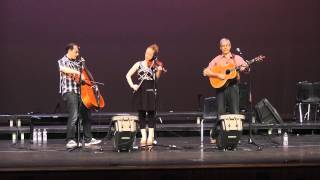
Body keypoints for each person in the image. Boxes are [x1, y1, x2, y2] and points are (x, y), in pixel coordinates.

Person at [203, 38, 249, 142]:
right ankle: (215, 135)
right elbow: (205, 71)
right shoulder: (217, 59)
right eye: (223, 46)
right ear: (220, 48)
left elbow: (244, 69)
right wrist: (218, 74)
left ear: (230, 46)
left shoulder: (236, 58)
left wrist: (246, 67)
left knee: (235, 112)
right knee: (220, 113)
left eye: (227, 45)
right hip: (220, 88)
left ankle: (235, 136)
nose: (225, 47)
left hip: (233, 87)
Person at [58, 43, 101, 149]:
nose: (77, 54)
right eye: (76, 52)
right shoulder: (63, 61)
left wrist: (84, 68)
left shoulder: (78, 62)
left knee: (86, 115)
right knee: (74, 115)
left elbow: (84, 76)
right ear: (69, 50)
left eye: (78, 52)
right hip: (69, 91)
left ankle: (88, 139)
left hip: (81, 92)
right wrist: (77, 72)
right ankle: (70, 139)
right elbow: (63, 69)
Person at [126, 44, 164, 149]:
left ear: (154, 56)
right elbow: (128, 75)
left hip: (151, 90)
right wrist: (132, 85)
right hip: (141, 90)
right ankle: (143, 136)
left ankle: (151, 136)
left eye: (150, 54)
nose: (147, 55)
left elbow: (156, 78)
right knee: (141, 113)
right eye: (146, 53)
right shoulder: (138, 64)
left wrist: (159, 69)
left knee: (151, 113)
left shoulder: (154, 64)